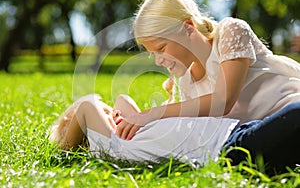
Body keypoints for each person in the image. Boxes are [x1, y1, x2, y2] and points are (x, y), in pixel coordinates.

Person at [115, 0, 300, 141]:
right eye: (152, 53)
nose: (158, 61)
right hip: (265, 136)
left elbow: (223, 101)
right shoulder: (186, 83)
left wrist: (150, 114)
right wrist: (131, 121)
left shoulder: (230, 32)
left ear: (188, 27)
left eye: (161, 48)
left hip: (291, 112)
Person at [49, 94, 300, 173]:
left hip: (239, 130)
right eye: (106, 114)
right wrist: (91, 108)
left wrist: (120, 114)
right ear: (86, 134)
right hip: (231, 149)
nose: (113, 113)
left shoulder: (134, 133)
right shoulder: (114, 146)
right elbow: (86, 105)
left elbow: (124, 101)